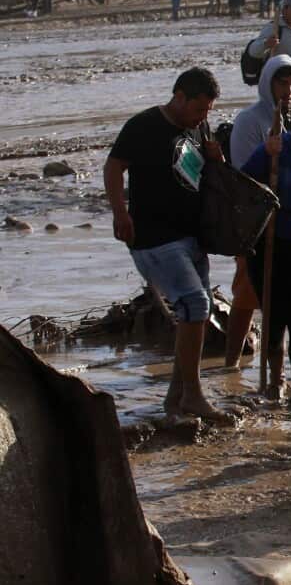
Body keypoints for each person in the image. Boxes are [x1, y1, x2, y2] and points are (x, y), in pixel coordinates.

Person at [104, 68, 232, 423]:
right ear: (179, 97)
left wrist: (215, 158)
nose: (202, 116)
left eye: (207, 110)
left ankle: (176, 398)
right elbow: (114, 167)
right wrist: (119, 213)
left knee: (198, 312)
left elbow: (207, 178)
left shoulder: (198, 129)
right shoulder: (143, 125)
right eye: (198, 109)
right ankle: (193, 394)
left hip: (191, 238)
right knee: (194, 303)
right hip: (152, 237)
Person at [224, 55, 291, 367]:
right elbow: (242, 176)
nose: (289, 90)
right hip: (254, 222)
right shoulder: (250, 120)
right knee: (247, 293)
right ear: (268, 84)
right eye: (282, 83)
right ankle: (231, 364)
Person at [239, 101, 291, 405]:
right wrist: (267, 157)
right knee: (272, 316)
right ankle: (275, 382)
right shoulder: (273, 149)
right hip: (267, 246)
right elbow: (244, 185)